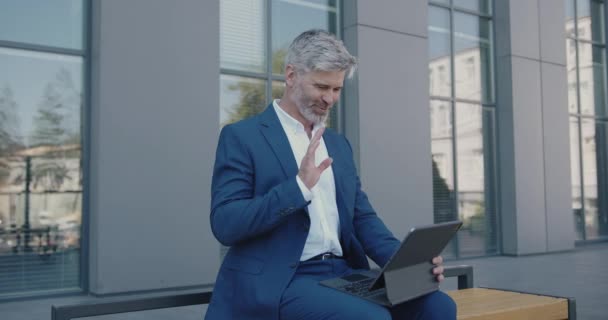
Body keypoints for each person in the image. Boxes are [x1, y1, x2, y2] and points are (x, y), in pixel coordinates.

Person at [205, 29, 456, 320]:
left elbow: (363, 218)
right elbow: (225, 224)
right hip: (284, 280)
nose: (330, 99)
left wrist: (407, 263)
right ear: (291, 76)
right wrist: (298, 187)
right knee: (370, 319)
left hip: (343, 274)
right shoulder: (243, 137)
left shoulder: (337, 144)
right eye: (321, 86)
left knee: (439, 307)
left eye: (336, 89)